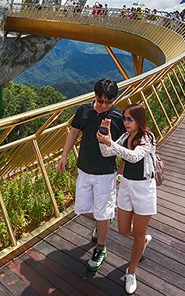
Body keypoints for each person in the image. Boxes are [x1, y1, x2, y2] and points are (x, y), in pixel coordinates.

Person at [57, 78, 126, 272]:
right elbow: (73, 132)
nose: (103, 105)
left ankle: (101, 247)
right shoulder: (84, 110)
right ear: (95, 96)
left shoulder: (117, 117)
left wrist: (122, 167)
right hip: (84, 168)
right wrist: (64, 155)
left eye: (108, 102)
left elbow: (123, 145)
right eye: (100, 100)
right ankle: (103, 221)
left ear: (114, 99)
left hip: (105, 173)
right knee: (81, 208)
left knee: (102, 213)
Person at [97, 103, 157, 294]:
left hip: (144, 189)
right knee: (123, 229)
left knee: (137, 234)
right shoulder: (125, 137)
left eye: (130, 119)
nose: (126, 122)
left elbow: (133, 157)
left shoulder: (148, 138)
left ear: (139, 119)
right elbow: (106, 152)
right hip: (126, 186)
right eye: (124, 118)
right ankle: (142, 239)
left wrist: (111, 143)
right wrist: (104, 136)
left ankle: (131, 272)